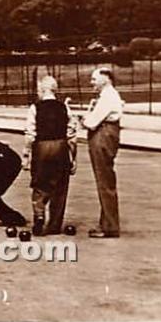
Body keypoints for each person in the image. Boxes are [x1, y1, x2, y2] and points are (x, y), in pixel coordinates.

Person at [22, 76, 78, 236]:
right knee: (60, 187)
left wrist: (26, 156)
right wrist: (73, 158)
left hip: (41, 147)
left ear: (41, 90)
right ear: (55, 90)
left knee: (39, 184)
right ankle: (54, 224)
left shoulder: (35, 108)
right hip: (60, 147)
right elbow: (72, 136)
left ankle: (39, 215)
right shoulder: (64, 108)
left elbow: (30, 134)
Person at [81, 68, 123, 238]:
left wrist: (83, 119)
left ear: (105, 79)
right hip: (106, 133)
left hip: (102, 135)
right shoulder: (109, 95)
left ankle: (110, 226)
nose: (91, 83)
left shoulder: (107, 97)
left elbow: (91, 123)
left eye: (94, 79)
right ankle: (106, 223)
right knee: (105, 180)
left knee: (104, 181)